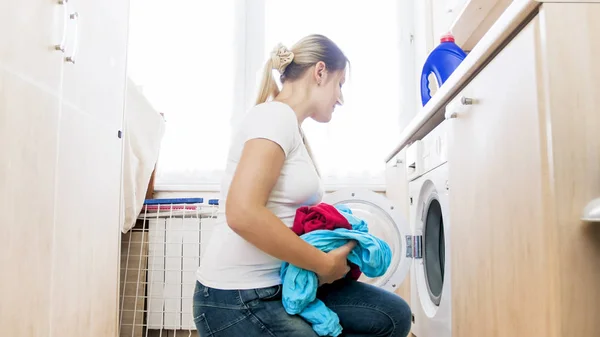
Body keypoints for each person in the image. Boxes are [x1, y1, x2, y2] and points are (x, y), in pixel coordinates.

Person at [194, 34, 412, 337]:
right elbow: (242, 213)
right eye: (340, 84)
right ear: (320, 72)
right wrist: (323, 263)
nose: (340, 98)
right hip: (238, 298)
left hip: (278, 286)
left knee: (392, 315)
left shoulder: (289, 126)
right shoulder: (274, 117)